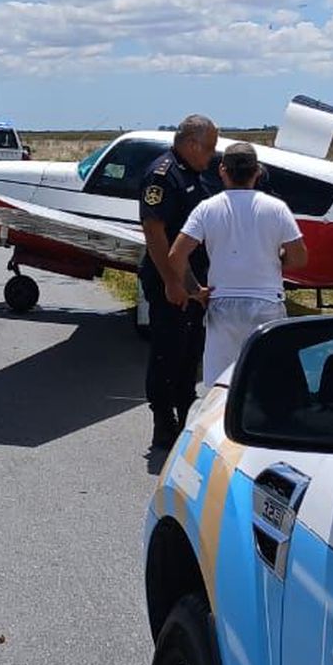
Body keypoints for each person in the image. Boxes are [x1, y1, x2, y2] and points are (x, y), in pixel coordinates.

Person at [168, 141, 308, 388]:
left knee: (219, 387)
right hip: (267, 304)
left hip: (222, 304)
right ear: (257, 171)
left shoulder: (206, 209)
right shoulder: (277, 209)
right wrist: (276, 258)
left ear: (222, 170)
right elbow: (299, 258)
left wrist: (194, 289)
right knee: (267, 384)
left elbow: (176, 256)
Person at [139, 114, 220, 449]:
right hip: (167, 280)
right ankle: (163, 421)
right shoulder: (163, 176)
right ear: (191, 144)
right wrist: (173, 282)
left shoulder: (195, 173)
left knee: (190, 350)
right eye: (209, 147)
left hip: (192, 278)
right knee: (167, 349)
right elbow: (155, 232)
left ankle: (186, 412)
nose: (212, 155)